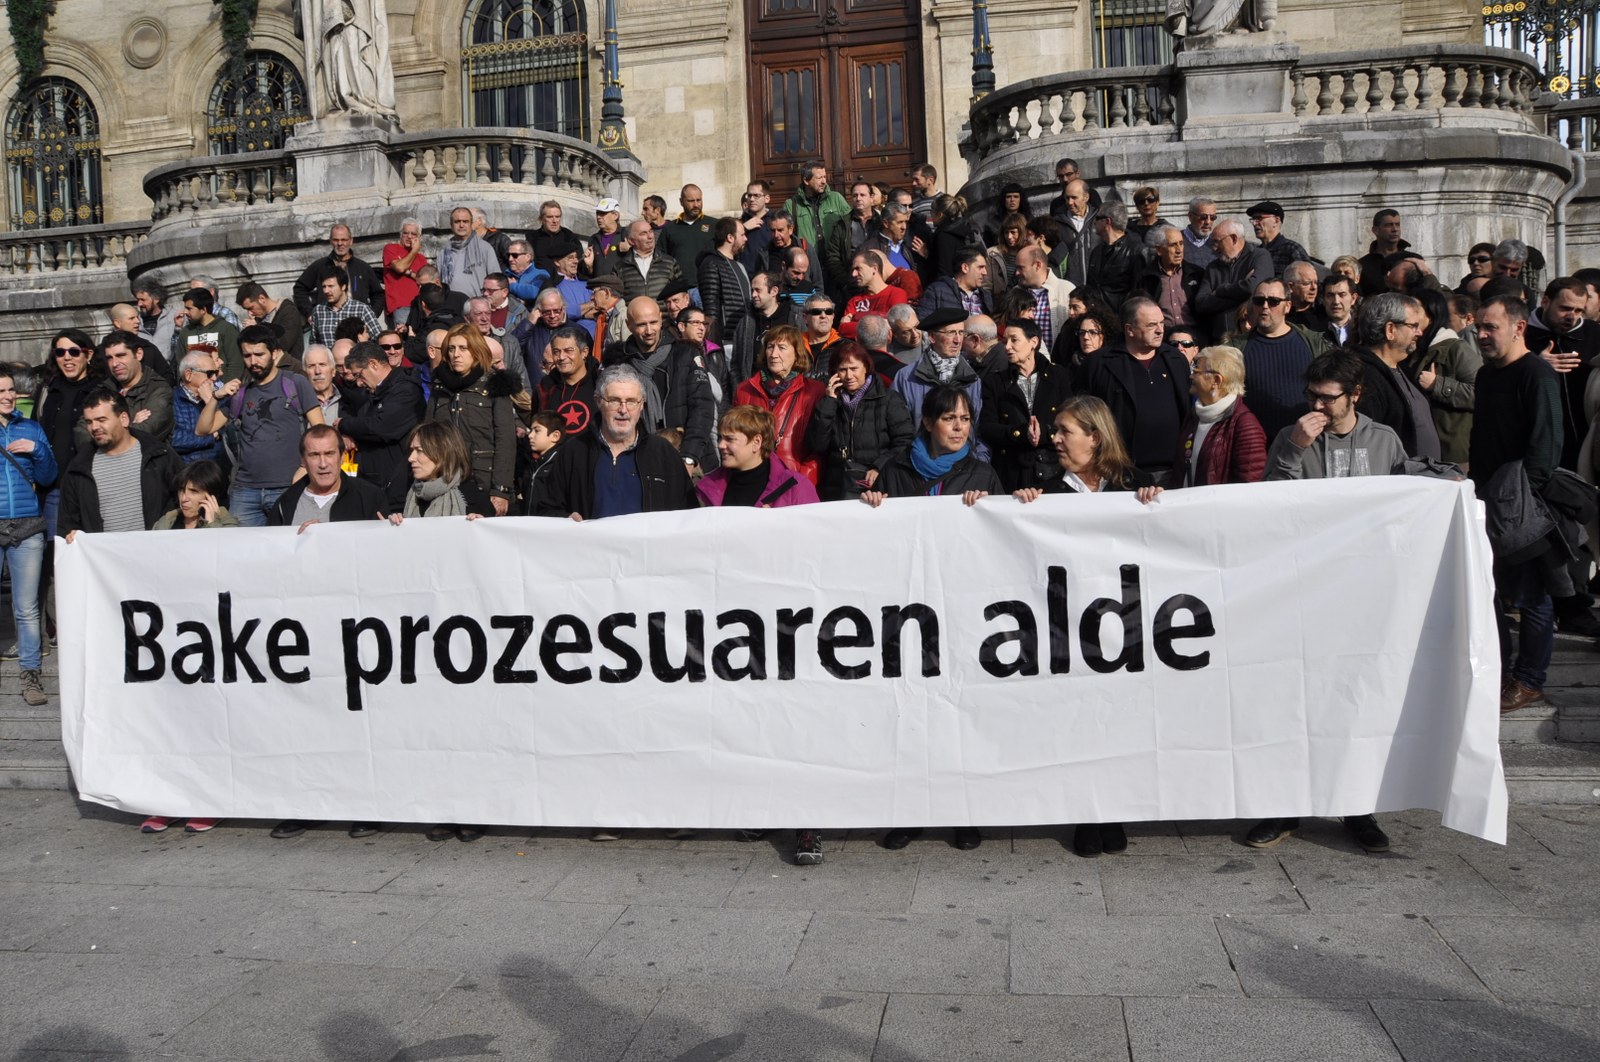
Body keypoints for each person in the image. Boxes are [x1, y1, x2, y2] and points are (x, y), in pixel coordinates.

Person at [1471, 296, 1564, 717]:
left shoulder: (1537, 374)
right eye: (1479, 326)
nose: (1482, 334)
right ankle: (1499, 672)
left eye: (1491, 326)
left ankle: (1529, 680)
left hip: (1524, 504)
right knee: (1492, 592)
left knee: (1532, 596)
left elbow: (1546, 445)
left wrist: (1526, 497)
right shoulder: (1487, 376)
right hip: (1487, 499)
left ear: (1519, 327)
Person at [196, 325, 324, 526]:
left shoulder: (295, 382)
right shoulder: (239, 393)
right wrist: (215, 397)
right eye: (247, 355)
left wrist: (304, 467)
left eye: (259, 354)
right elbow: (203, 429)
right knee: (244, 553)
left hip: (288, 485)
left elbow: (320, 431)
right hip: (245, 491)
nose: (253, 361)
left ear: (274, 353)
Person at [532, 365, 697, 519]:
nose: (623, 410)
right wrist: (565, 519)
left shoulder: (663, 453)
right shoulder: (574, 451)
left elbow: (687, 516)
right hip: (590, 548)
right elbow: (546, 508)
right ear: (598, 402)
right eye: (614, 400)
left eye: (631, 401)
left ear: (642, 406)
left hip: (644, 550)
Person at [1079, 298, 1190, 484]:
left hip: (1174, 471)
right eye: (1152, 325)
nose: (1160, 330)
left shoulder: (1175, 360)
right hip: (1121, 473)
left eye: (1162, 323)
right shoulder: (1099, 363)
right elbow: (1085, 417)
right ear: (1129, 329)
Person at [605, 297, 717, 473]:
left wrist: (689, 457)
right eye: (642, 324)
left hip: (691, 458)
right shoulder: (619, 364)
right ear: (628, 325)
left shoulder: (685, 354)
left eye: (653, 322)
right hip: (641, 461)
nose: (649, 330)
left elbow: (702, 408)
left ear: (661, 319)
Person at [0, 369, 56, 707]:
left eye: (10, 390)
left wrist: (37, 449)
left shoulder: (30, 427)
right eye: (0, 391)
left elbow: (49, 475)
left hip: (26, 525)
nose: (8, 396)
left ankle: (31, 675)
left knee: (26, 608)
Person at [59, 388, 182, 539]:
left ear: (124, 419)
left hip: (155, 552)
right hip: (105, 558)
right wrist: (72, 535)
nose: (94, 427)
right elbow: (68, 521)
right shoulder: (79, 468)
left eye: (102, 420)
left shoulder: (159, 456)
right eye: (89, 422)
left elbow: (183, 502)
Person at [1224, 278, 1330, 445]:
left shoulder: (1313, 343)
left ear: (1287, 306)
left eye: (1273, 301)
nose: (1265, 306)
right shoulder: (1234, 349)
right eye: (1259, 301)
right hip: (1253, 446)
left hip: (1306, 443)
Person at [804, 341, 915, 500]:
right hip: (837, 486)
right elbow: (817, 445)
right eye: (842, 370)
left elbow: (905, 441)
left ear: (865, 368)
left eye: (854, 369)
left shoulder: (888, 399)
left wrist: (879, 467)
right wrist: (829, 402)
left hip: (875, 486)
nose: (849, 376)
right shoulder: (829, 402)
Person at [427, 324, 518, 514]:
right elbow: (428, 437)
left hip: (483, 482)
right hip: (445, 481)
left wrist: (501, 490)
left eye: (463, 348)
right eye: (451, 349)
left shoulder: (494, 384)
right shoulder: (439, 386)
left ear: (476, 351)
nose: (456, 354)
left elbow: (506, 440)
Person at [979, 318, 1075, 490]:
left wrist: (1045, 433)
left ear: (1033, 342)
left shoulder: (1058, 375)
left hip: (1052, 469)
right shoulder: (995, 381)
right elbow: (987, 427)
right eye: (1004, 341)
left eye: (1014, 340)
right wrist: (1020, 433)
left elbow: (1072, 421)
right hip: (1011, 471)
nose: (1007, 346)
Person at [1349, 292, 1444, 460]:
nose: (1419, 332)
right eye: (1413, 326)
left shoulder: (1400, 368)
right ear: (1390, 330)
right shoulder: (1365, 377)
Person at [337, 342, 427, 509]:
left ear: (373, 364)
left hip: (396, 488)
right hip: (375, 485)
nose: (358, 383)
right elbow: (363, 422)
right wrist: (349, 433)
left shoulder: (405, 390)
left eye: (359, 375)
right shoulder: (374, 393)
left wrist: (344, 424)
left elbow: (381, 427)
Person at [733, 324, 825, 484]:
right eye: (770, 347)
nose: (774, 354)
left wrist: (803, 479)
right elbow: (735, 437)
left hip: (793, 480)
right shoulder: (744, 389)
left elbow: (818, 446)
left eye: (782, 348)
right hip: (751, 480)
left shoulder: (814, 391)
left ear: (797, 354)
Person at [1171, 345, 1266, 486]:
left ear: (1216, 380)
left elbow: (1248, 486)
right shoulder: (1194, 416)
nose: (1190, 375)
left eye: (1196, 371)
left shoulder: (1245, 425)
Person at [697, 404, 821, 510]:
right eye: (720, 438)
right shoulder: (707, 487)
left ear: (756, 442)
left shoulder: (795, 488)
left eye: (730, 439)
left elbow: (812, 533)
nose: (721, 445)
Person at [1195, 219, 1274, 343]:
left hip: (1252, 338)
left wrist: (1220, 290)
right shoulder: (1213, 267)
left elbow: (1252, 289)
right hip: (1220, 340)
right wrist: (1241, 296)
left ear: (1233, 238)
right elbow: (1201, 303)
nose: (1214, 249)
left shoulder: (1259, 256)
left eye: (1217, 242)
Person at [293, 223, 385, 319]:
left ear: (351, 241)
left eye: (344, 240)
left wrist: (371, 316)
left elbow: (378, 294)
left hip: (358, 323)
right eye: (336, 240)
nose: (340, 243)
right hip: (328, 322)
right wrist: (310, 314)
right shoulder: (320, 266)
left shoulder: (363, 267)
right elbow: (299, 288)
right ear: (330, 241)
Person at [103, 330, 174, 443]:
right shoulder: (104, 389)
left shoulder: (158, 389)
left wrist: (106, 430)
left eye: (120, 356)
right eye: (109, 358)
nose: (115, 364)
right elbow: (83, 432)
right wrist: (132, 424)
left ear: (138, 354)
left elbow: (146, 432)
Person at [1138, 223, 1202, 334]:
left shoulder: (1197, 274)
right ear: (1159, 250)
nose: (1179, 250)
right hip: (1163, 337)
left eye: (1181, 244)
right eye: (1173, 245)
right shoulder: (1145, 278)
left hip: (1193, 334)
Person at [698, 217, 752, 346]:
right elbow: (711, 308)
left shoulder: (740, 266)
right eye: (742, 234)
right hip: (725, 340)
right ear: (730, 237)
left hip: (743, 338)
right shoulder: (711, 263)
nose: (746, 239)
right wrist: (713, 343)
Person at [1084, 200, 1145, 311]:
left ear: (1107, 221)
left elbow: (1138, 291)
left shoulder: (1136, 250)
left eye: (1097, 218)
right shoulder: (1096, 252)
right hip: (1098, 316)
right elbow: (1090, 286)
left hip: (1121, 317)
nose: (1094, 222)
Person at [175, 287, 245, 383]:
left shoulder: (226, 329)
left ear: (203, 310)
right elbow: (180, 365)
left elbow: (236, 363)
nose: (185, 312)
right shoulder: (185, 332)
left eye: (189, 308)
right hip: (193, 392)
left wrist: (225, 389)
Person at [170, 352, 225, 465]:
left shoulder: (217, 396)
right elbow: (174, 440)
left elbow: (227, 431)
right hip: (187, 470)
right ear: (188, 375)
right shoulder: (171, 400)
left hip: (218, 469)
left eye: (215, 372)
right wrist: (211, 436)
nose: (214, 378)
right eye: (209, 373)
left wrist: (211, 401)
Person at [153, 459, 238, 530]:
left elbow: (220, 548)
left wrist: (212, 524)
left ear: (212, 496)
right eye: (181, 490)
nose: (183, 499)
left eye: (194, 491)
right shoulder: (168, 521)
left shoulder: (228, 525)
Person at [840, 253, 909, 339]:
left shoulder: (897, 294)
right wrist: (881, 321)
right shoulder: (854, 301)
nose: (853, 274)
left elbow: (894, 327)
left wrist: (857, 318)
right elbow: (843, 329)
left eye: (858, 269)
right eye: (853, 270)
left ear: (874, 268)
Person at [310, 266, 384, 347]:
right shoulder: (318, 311)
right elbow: (314, 343)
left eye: (331, 286)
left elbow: (380, 340)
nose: (326, 291)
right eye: (324, 286)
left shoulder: (361, 309)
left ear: (343, 286)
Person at [237, 281, 307, 361]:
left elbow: (284, 344)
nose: (250, 313)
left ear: (262, 299)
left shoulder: (288, 311)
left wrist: (258, 328)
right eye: (246, 309)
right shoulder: (258, 318)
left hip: (288, 368)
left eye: (251, 308)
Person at [616, 219, 684, 300]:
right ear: (631, 241)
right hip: (633, 312)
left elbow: (681, 294)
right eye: (643, 233)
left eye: (650, 231)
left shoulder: (669, 263)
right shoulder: (620, 267)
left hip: (663, 312)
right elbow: (616, 298)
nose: (650, 236)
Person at [1246, 201, 1316, 278]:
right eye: (1253, 219)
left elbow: (1308, 280)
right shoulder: (1255, 253)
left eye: (1259, 218)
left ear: (1276, 221)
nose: (1254, 223)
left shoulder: (1292, 249)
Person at [918, 246, 993, 318]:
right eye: (980, 267)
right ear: (965, 268)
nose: (985, 272)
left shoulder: (986, 296)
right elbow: (923, 322)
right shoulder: (937, 291)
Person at [659, 184, 719, 275]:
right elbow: (661, 259)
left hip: (708, 285)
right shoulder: (670, 228)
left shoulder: (715, 225)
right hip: (680, 287)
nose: (696, 205)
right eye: (691, 201)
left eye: (698, 200)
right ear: (681, 201)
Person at [380, 218, 427, 328]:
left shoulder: (421, 258)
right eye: (406, 233)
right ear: (401, 234)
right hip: (400, 306)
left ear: (418, 237)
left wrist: (409, 273)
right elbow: (400, 268)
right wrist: (414, 251)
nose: (409, 237)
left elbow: (424, 280)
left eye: (413, 234)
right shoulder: (391, 249)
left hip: (420, 307)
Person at [1357, 209, 1407, 297]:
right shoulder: (1362, 265)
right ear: (1375, 230)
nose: (1395, 229)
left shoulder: (1413, 260)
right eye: (1388, 225)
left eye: (1397, 224)